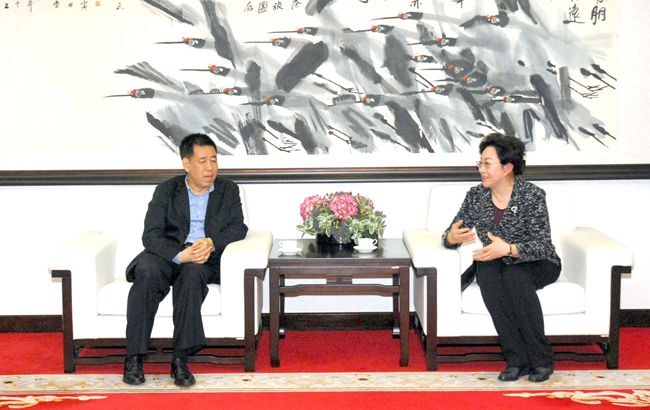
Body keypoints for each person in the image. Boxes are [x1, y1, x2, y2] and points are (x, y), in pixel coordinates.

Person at [122, 133, 248, 387]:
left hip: (203, 256)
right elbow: (151, 235)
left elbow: (239, 228)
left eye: (213, 159)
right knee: (147, 272)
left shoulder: (228, 190)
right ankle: (134, 357)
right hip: (168, 253)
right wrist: (179, 255)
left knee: (191, 276)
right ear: (187, 164)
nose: (210, 167)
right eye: (203, 161)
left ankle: (180, 359)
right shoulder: (166, 190)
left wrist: (211, 242)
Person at [443, 133, 561, 383]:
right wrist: (452, 237)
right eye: (480, 163)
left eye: (487, 164)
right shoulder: (476, 196)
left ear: (507, 167)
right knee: (487, 275)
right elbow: (451, 233)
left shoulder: (532, 195)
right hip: (495, 261)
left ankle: (541, 360)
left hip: (536, 262)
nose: (481, 169)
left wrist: (509, 249)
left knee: (515, 277)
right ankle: (516, 360)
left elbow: (542, 245)